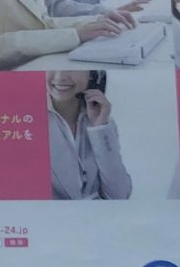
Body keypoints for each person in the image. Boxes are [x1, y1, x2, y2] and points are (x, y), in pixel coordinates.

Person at [48, 69, 131, 201]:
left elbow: (118, 195)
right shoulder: (25, 120)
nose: (60, 77)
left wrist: (99, 129)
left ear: (93, 74)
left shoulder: (99, 119)